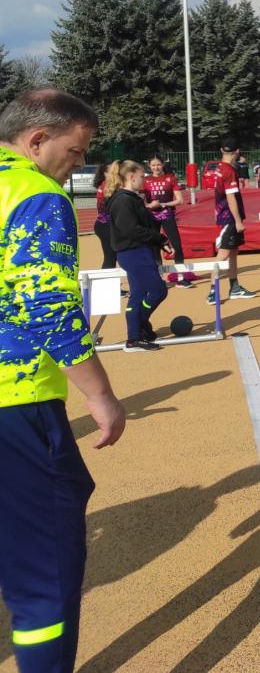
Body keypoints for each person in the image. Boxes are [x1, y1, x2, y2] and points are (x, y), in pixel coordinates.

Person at [0, 89, 126, 673]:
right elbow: (46, 304)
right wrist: (101, 395)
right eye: (75, 152)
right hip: (16, 400)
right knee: (43, 576)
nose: (79, 164)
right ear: (36, 140)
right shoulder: (35, 194)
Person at [105, 161, 169, 351]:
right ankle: (140, 324)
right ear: (131, 176)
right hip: (133, 252)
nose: (145, 180)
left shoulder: (133, 198)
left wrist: (159, 242)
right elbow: (131, 229)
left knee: (138, 294)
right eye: (142, 176)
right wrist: (160, 239)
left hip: (139, 250)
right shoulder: (123, 200)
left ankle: (134, 336)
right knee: (158, 290)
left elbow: (145, 225)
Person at [208, 139, 256, 305]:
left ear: (222, 150)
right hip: (228, 217)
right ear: (237, 151)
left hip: (225, 214)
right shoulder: (229, 170)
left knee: (233, 251)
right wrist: (237, 221)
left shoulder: (220, 167)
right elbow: (230, 197)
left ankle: (234, 287)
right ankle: (212, 291)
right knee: (223, 254)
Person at [143, 155, 189, 285]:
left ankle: (181, 277)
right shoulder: (145, 180)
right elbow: (140, 200)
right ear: (149, 166)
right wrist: (149, 206)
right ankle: (159, 278)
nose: (156, 167)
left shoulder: (171, 178)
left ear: (163, 164)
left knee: (176, 245)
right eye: (153, 165)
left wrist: (163, 204)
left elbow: (180, 200)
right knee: (154, 246)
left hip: (167, 215)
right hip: (151, 217)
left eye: (158, 164)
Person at [92, 163, 117, 271]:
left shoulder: (106, 184)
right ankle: (106, 281)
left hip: (104, 225)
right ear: (105, 173)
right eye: (112, 171)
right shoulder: (108, 186)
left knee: (111, 257)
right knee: (110, 257)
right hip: (105, 226)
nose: (116, 173)